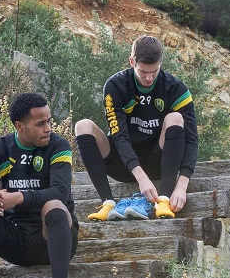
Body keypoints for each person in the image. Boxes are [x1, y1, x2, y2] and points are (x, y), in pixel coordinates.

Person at [0, 92, 78, 278]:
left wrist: (19, 197)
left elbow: (61, 191)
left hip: (52, 237)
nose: (48, 128)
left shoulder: (59, 146)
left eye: (49, 121)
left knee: (55, 205)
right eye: (40, 123)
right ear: (20, 126)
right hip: (15, 240)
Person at [75, 35, 198, 221]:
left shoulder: (177, 89)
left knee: (175, 118)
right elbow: (119, 136)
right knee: (83, 126)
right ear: (132, 62)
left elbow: (191, 138)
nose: (148, 78)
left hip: (160, 163)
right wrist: (140, 177)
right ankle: (107, 203)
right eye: (142, 72)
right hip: (123, 165)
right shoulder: (114, 86)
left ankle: (163, 199)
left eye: (154, 72)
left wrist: (181, 185)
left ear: (161, 63)